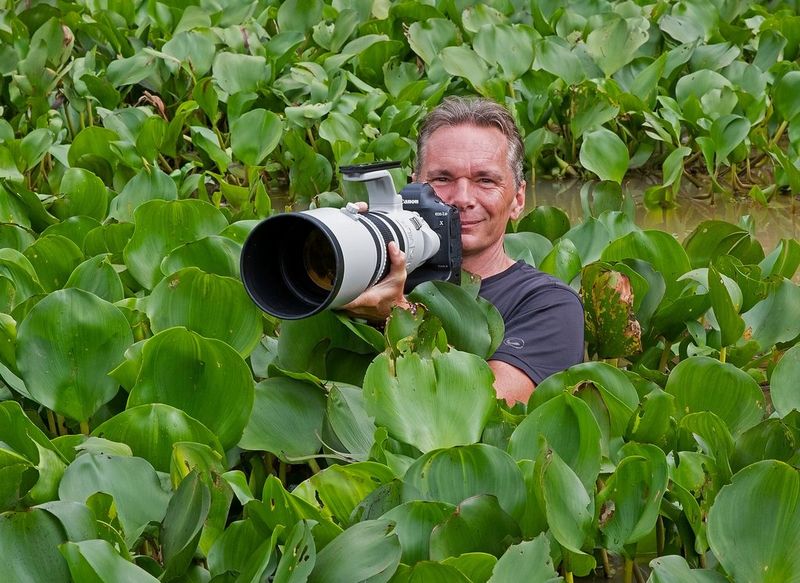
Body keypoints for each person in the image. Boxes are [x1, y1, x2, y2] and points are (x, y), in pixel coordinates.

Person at [343, 96, 584, 405]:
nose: (462, 197)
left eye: (485, 180)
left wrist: (396, 314)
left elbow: (482, 410)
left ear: (518, 199)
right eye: (442, 178)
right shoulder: (367, 271)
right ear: (412, 187)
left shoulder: (550, 305)